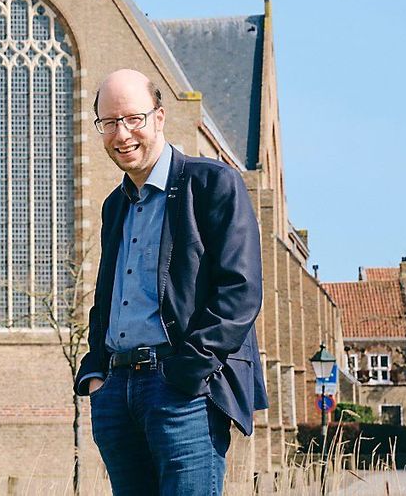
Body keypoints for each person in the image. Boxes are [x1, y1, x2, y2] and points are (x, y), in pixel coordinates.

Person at [74, 68, 268, 495]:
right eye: (109, 123)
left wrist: (187, 371)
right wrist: (95, 373)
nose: (121, 134)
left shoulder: (212, 183)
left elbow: (241, 290)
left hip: (182, 393)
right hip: (117, 394)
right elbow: (106, 299)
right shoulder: (115, 206)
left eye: (133, 119)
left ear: (159, 117)